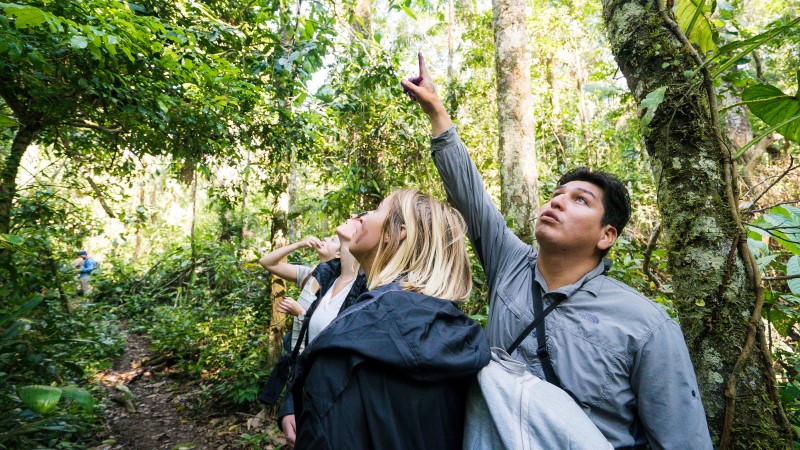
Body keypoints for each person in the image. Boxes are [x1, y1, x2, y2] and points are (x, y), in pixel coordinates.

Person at [401, 54, 712, 449]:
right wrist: (437, 114)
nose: (558, 202)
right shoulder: (509, 264)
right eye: (556, 195)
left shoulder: (646, 326)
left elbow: (681, 438)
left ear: (607, 236)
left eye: (580, 200)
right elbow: (472, 199)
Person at [289, 189, 490, 450]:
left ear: (395, 233)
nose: (358, 217)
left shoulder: (348, 346)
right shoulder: (460, 335)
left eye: (374, 210)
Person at [276, 218, 369, 445]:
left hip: (337, 416)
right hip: (309, 403)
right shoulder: (325, 276)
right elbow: (305, 350)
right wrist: (289, 404)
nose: (355, 216)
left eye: (362, 217)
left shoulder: (370, 289)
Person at [259, 235, 341, 349]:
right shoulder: (308, 275)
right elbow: (266, 262)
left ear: (339, 254)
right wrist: (299, 244)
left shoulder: (338, 286)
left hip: (310, 359)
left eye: (333, 240)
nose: (325, 238)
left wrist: (300, 313)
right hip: (294, 357)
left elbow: (327, 330)